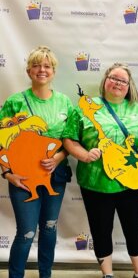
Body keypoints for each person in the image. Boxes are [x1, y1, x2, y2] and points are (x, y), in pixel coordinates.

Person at [62, 63, 138, 278]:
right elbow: (69, 139)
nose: (117, 83)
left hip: (130, 181)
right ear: (105, 80)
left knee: (134, 231)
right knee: (101, 232)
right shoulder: (85, 106)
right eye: (113, 78)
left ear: (129, 86)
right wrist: (83, 155)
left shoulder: (136, 108)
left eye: (123, 81)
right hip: (96, 182)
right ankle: (107, 274)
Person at [0, 46, 73, 278]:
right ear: (29, 70)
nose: (42, 69)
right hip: (22, 178)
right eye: (36, 65)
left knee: (49, 228)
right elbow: (2, 142)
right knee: (27, 232)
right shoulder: (15, 102)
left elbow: (70, 141)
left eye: (47, 65)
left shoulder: (65, 103)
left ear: (54, 71)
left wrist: (58, 157)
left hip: (55, 176)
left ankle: (45, 274)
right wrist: (7, 173)